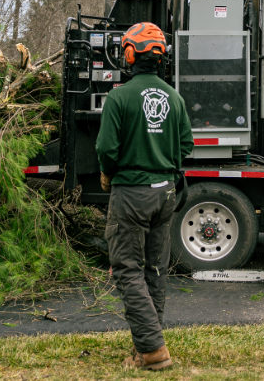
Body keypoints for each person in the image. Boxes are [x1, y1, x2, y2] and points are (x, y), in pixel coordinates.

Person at [96, 21, 194, 371]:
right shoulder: (175, 97)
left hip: (132, 194)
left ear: (129, 54)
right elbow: (187, 147)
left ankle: (153, 349)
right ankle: (146, 347)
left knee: (127, 268)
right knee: (154, 268)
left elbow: (106, 148)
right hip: (166, 193)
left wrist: (111, 171)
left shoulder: (119, 97)